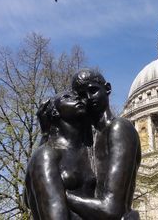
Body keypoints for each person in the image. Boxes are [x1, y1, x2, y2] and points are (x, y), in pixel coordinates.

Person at [65, 69, 141, 220]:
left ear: (107, 89)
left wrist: (59, 193)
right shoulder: (86, 140)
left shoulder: (119, 128)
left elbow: (112, 209)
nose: (88, 98)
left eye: (93, 90)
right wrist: (47, 132)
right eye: (81, 95)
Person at [25, 91, 95, 220]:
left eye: (77, 96)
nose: (76, 98)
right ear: (54, 112)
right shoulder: (46, 155)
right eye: (67, 97)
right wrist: (45, 134)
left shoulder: (91, 152)